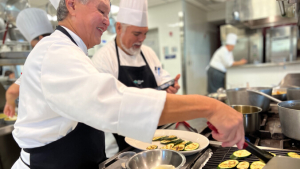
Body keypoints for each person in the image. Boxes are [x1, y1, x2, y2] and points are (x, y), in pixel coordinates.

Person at [11, 0, 244, 168]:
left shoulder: (72, 51)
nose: (106, 20)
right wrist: (210, 107)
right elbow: (112, 104)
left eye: (108, 12)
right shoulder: (56, 52)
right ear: (71, 5)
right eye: (101, 9)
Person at [92, 0, 180, 157]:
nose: (142, 39)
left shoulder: (148, 53)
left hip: (156, 136)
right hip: (122, 144)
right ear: (119, 28)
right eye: (137, 34)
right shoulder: (103, 59)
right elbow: (106, 109)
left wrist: (170, 87)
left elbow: (162, 78)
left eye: (145, 33)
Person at [4, 8, 53, 118]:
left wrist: (10, 102)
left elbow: (12, 91)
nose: (34, 49)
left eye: (33, 44)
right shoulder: (65, 51)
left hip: (40, 124)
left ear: (40, 39)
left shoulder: (40, 56)